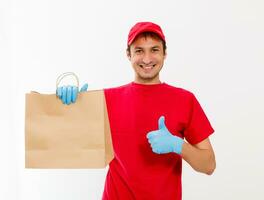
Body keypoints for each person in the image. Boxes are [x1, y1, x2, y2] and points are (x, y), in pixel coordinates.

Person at [56, 22, 216, 200]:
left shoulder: (185, 100)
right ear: (128, 54)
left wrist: (179, 145)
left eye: (154, 50)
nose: (147, 59)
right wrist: (67, 105)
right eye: (139, 51)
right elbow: (66, 140)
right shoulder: (106, 100)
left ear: (165, 53)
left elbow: (208, 165)